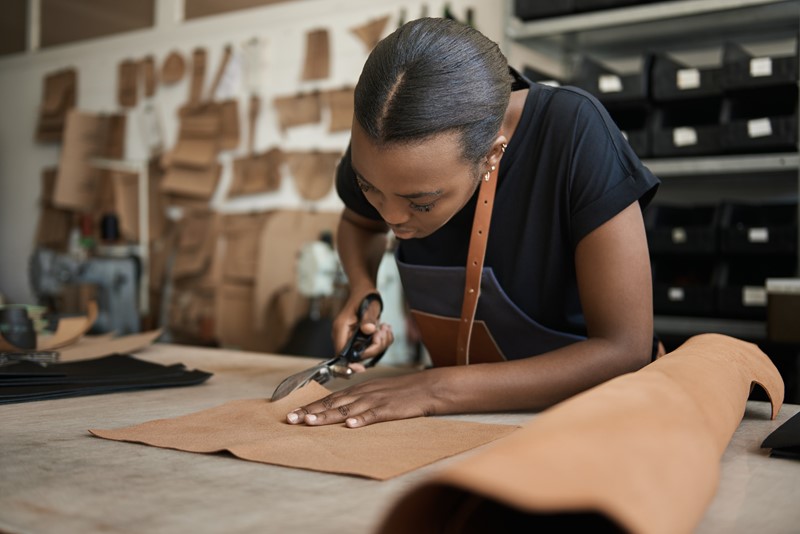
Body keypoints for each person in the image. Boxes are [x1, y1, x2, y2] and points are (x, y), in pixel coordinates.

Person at [286, 17, 661, 428]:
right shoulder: (385, 131)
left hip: (586, 419)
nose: (391, 217)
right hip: (464, 415)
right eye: (369, 186)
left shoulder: (573, 132)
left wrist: (435, 389)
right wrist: (361, 287)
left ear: (492, 155)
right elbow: (359, 223)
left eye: (421, 202)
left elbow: (625, 350)